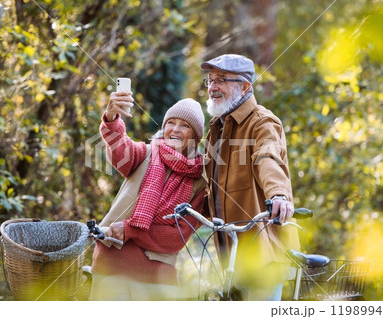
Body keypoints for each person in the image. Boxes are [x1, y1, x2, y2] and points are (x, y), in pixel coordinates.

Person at [200, 54, 300, 300]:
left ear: (245, 86)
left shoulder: (262, 122)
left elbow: (268, 158)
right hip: (230, 256)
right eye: (210, 80)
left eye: (221, 80)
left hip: (262, 255)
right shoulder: (217, 128)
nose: (212, 87)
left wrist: (278, 194)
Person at [89, 92, 206, 300]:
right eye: (171, 122)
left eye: (185, 125)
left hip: (158, 280)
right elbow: (120, 149)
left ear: (196, 137)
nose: (176, 129)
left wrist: (130, 230)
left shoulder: (199, 183)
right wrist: (111, 118)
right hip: (113, 268)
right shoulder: (145, 154)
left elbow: (177, 237)